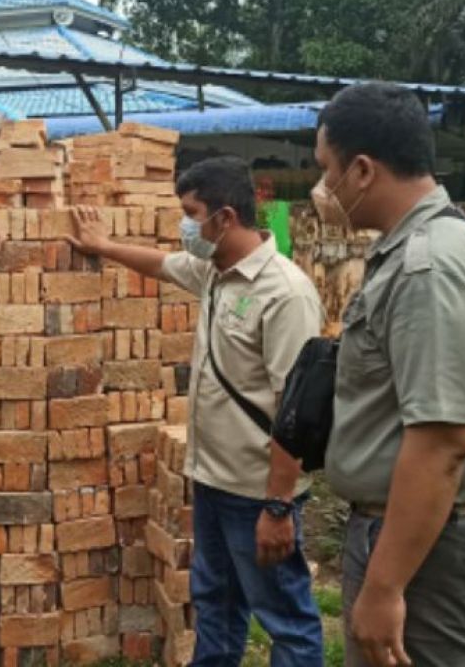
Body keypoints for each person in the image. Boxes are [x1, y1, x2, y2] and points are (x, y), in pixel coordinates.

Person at [70, 156, 325, 667]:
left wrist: (278, 507)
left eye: (190, 213)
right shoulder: (215, 272)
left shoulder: (284, 292)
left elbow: (297, 413)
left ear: (225, 217)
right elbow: (159, 264)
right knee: (215, 603)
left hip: (257, 491)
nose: (184, 226)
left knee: (285, 619)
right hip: (212, 480)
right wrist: (102, 246)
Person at [313, 82, 465, 667]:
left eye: (326, 169)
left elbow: (442, 443)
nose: (321, 188)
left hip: (430, 542)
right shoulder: (417, 246)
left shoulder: (427, 268)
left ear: (361, 170)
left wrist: (384, 588)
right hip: (431, 531)